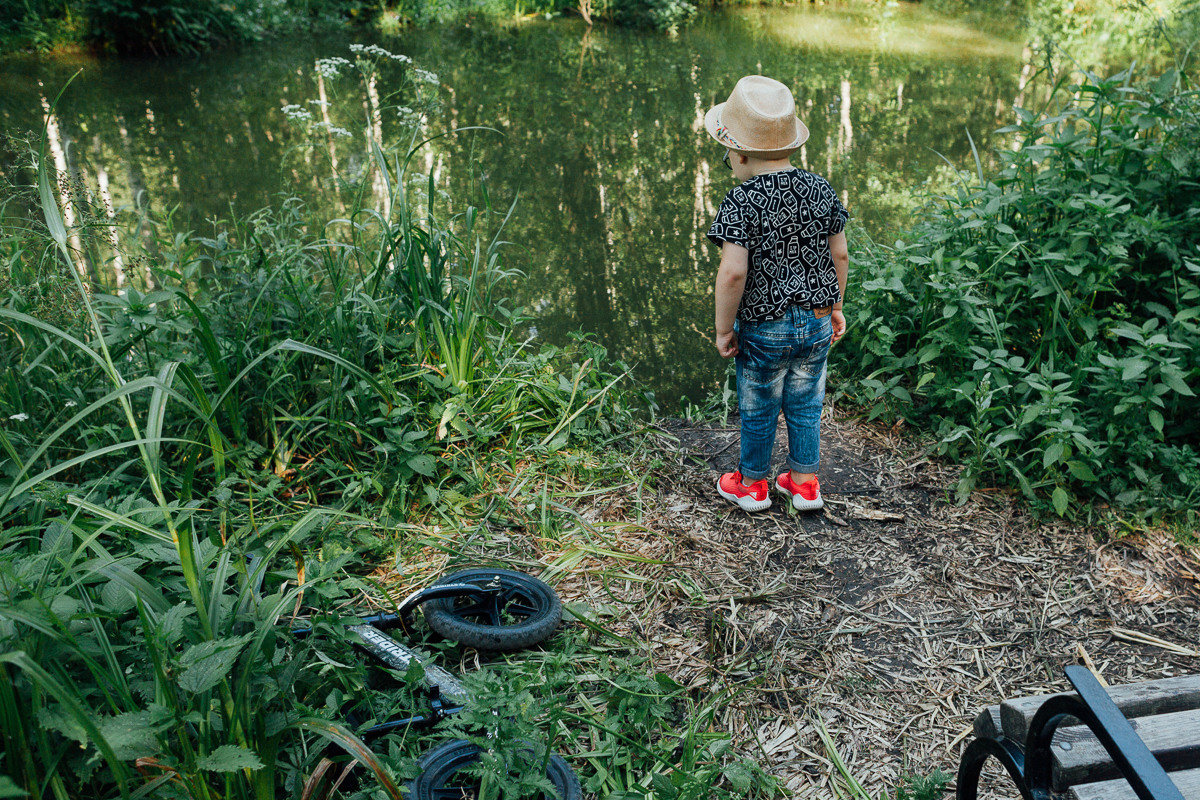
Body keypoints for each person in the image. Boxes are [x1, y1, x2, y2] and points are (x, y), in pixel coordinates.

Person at [705, 75, 850, 512]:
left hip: (765, 326)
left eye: (726, 150)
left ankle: (752, 484)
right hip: (817, 318)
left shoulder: (741, 200)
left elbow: (733, 274)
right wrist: (837, 305)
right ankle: (805, 483)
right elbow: (839, 255)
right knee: (807, 402)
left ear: (741, 152)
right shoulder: (821, 188)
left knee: (759, 404)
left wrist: (723, 329)